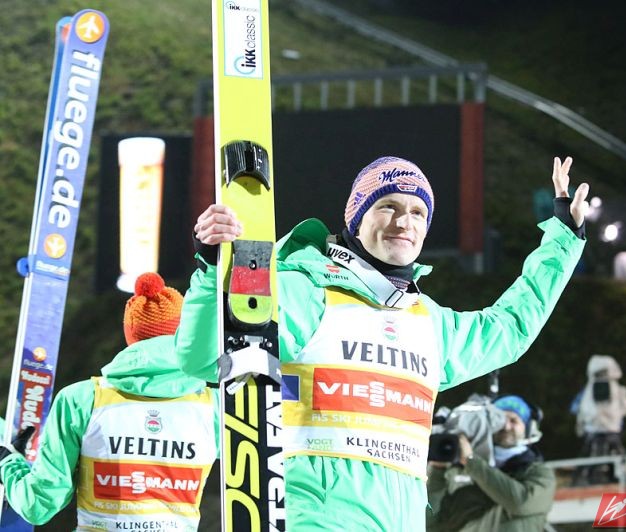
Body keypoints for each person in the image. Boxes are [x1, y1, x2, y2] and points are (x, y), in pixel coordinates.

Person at [178, 155, 588, 530]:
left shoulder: (429, 323)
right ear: (356, 216)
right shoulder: (307, 292)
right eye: (388, 206)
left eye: (418, 212)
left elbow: (510, 327)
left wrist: (564, 239)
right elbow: (203, 359)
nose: (404, 221)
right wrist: (212, 268)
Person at [0, 273, 220, 530]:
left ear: (131, 336)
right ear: (184, 333)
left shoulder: (80, 400)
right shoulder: (217, 407)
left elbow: (38, 505)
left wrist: (8, 462)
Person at [426, 395, 555, 531]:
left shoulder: (539, 473)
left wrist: (471, 461)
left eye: (514, 421)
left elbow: (521, 504)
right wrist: (437, 471)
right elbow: (429, 524)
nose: (506, 426)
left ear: (527, 428)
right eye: (500, 419)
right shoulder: (458, 471)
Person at [571, 354, 626, 457]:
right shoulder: (619, 390)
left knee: (590, 459)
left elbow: (574, 408)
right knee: (618, 458)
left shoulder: (587, 392)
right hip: (610, 432)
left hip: (597, 432)